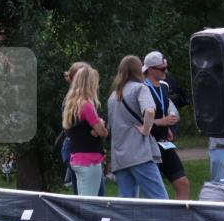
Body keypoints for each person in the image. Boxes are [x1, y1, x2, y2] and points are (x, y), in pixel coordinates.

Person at [107, 55, 168, 199]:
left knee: (127, 203)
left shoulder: (113, 96)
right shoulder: (140, 88)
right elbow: (149, 111)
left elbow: (111, 127)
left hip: (120, 156)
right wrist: (146, 130)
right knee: (160, 199)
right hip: (139, 153)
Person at [143, 51, 190, 200]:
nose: (166, 71)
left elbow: (163, 109)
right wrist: (159, 122)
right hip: (148, 144)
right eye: (162, 69)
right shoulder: (142, 88)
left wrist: (167, 126)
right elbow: (136, 120)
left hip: (164, 142)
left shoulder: (164, 86)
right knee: (156, 192)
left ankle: (180, 220)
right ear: (150, 69)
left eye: (166, 67)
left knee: (183, 183)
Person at [61, 64, 109, 196]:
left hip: (77, 158)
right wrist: (100, 124)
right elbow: (103, 132)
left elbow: (77, 130)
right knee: (90, 204)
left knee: (83, 202)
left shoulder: (72, 104)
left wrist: (94, 130)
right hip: (90, 160)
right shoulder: (87, 105)